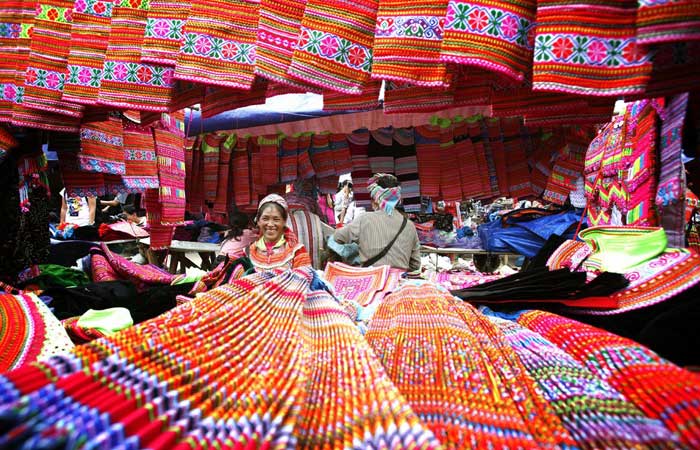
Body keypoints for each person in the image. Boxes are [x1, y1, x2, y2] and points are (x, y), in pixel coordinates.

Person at [333, 173, 420, 271]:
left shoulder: (364, 219)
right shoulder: (409, 225)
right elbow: (415, 264)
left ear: (376, 198)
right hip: (398, 281)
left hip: (371, 280)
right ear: (398, 199)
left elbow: (337, 237)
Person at [234, 194, 311, 271]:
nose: (270, 224)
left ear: (284, 222)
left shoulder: (297, 251)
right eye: (265, 219)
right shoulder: (248, 252)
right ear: (258, 221)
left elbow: (305, 278)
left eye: (276, 219)